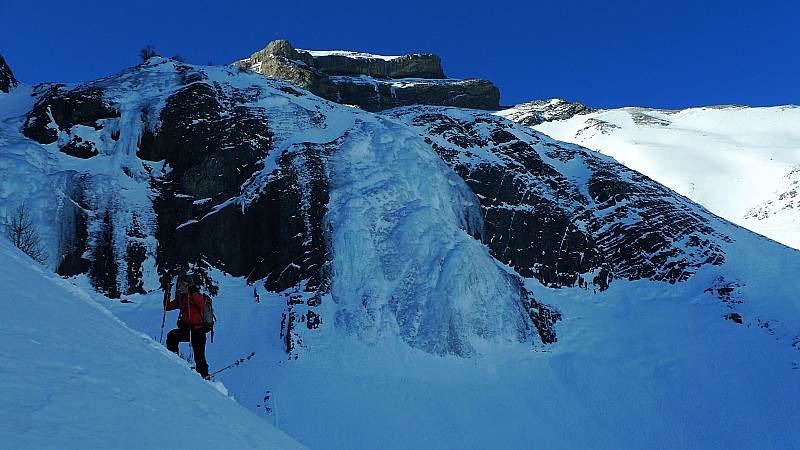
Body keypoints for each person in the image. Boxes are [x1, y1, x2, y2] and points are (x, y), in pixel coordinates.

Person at [164, 274, 210, 379]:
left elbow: (202, 305)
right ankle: (174, 359)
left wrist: (192, 292)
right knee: (172, 336)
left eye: (182, 285)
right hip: (187, 330)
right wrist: (167, 291)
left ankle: (205, 377)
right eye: (179, 285)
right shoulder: (181, 298)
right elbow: (167, 307)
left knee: (199, 356)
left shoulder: (196, 295)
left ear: (188, 285)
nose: (180, 287)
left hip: (198, 331)